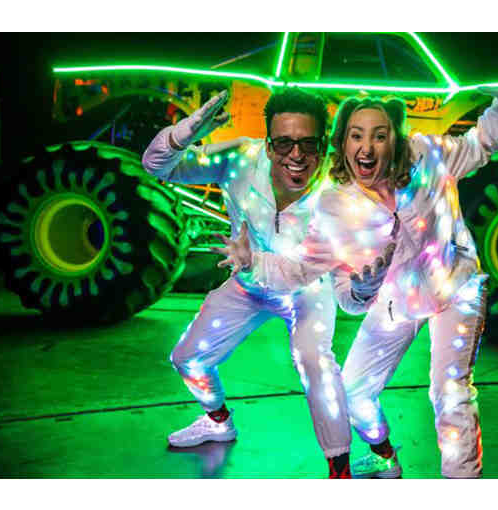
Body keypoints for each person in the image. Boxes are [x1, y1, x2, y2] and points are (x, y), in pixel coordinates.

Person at [218, 66, 498, 478]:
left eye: (379, 134)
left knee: (450, 391)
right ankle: (385, 457)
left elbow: (478, 144)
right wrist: (257, 262)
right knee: (353, 391)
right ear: (343, 143)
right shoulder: (335, 207)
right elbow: (306, 272)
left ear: (395, 139)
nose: (367, 146)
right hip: (398, 300)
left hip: (454, 284)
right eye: (356, 135)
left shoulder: (428, 157)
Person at [142, 87, 356, 478]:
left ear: (324, 144)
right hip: (248, 286)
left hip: (305, 290)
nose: (296, 155)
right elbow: (157, 167)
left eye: (308, 143)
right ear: (268, 144)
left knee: (314, 363)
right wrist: (184, 134)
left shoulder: (337, 188)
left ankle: (339, 469)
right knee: (187, 358)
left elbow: (309, 267)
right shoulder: (239, 159)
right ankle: (218, 421)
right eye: (284, 143)